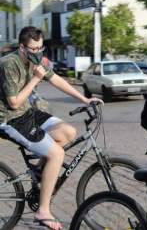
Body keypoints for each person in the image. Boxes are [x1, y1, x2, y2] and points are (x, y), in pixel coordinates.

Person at [0, 26, 102, 230]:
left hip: (27, 112)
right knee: (56, 154)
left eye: (40, 48)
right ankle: (43, 212)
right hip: (9, 118)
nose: (38, 52)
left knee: (68, 132)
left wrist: (84, 99)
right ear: (22, 48)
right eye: (33, 49)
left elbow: (56, 79)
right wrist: (36, 78)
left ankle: (39, 172)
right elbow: (13, 102)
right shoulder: (8, 64)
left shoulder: (38, 61)